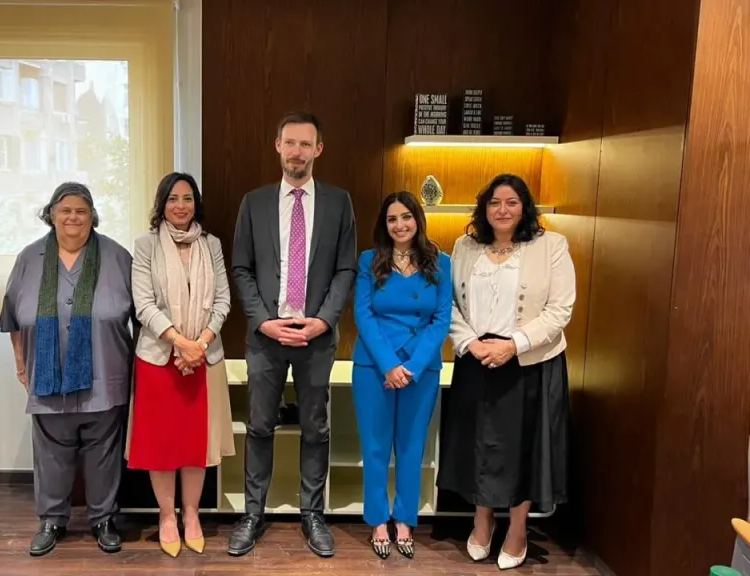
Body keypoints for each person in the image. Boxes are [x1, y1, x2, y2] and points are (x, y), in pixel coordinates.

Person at [228, 110, 357, 558]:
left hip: (316, 337)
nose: (297, 152)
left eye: (305, 144)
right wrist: (263, 320)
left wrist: (324, 320)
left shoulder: (339, 202)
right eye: (290, 143)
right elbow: (241, 268)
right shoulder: (255, 202)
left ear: (318, 149)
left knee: (315, 428)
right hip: (266, 337)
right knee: (260, 426)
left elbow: (345, 269)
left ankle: (312, 514)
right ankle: (252, 514)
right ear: (277, 146)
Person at [437, 173, 576, 570]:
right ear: (484, 208)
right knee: (479, 446)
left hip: (529, 362)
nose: (502, 210)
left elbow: (560, 309)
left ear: (524, 207)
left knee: (523, 450)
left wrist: (513, 345)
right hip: (477, 359)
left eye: (511, 202)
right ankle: (482, 521)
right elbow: (448, 304)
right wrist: (471, 342)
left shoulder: (551, 246)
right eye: (495, 202)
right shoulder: (465, 246)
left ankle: (517, 530)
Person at [0, 182, 135, 557]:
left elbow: (141, 316)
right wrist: (21, 363)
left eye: (81, 210)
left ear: (92, 216)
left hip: (105, 375)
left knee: (104, 453)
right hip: (48, 376)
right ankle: (51, 521)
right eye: (65, 210)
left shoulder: (117, 257)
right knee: (50, 455)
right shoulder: (29, 258)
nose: (73, 217)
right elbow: (12, 317)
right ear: (52, 215)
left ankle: (104, 519)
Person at [125, 172, 235, 557]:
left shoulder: (211, 244)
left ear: (196, 204)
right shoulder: (145, 246)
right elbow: (143, 305)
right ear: (162, 204)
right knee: (162, 443)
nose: (180, 206)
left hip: (203, 358)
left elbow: (223, 300)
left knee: (195, 443)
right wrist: (180, 342)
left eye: (187, 198)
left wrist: (199, 343)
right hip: (159, 359)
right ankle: (167, 516)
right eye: (173, 198)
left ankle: (191, 513)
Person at [351, 191, 452, 560]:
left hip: (420, 369)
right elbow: (363, 314)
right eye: (392, 219)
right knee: (375, 447)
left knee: (411, 447)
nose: (400, 225)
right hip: (374, 367)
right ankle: (378, 521)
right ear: (384, 224)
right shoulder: (369, 261)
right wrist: (389, 365)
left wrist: (412, 366)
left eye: (406, 217)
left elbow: (441, 319)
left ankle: (405, 520)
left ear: (417, 220)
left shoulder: (441, 262)